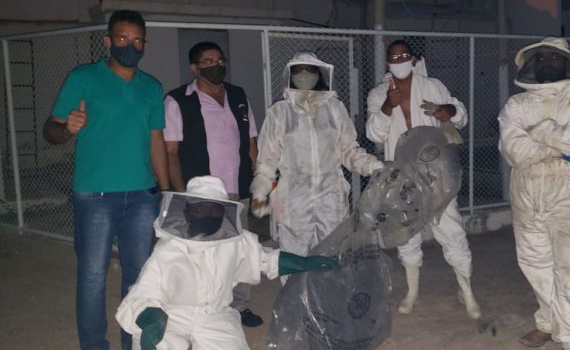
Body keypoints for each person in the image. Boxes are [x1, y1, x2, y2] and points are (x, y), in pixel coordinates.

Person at [42, 10, 169, 350]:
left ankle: (134, 340)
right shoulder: (83, 78)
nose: (131, 45)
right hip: (94, 196)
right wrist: (67, 129)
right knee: (93, 277)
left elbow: (157, 141)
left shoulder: (152, 87)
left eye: (138, 40)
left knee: (140, 278)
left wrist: (166, 190)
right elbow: (50, 131)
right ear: (108, 41)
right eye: (123, 38)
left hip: (142, 196)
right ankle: (94, 345)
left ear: (145, 44)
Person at [115, 176, 339, 350]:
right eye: (201, 208)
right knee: (154, 343)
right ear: (187, 210)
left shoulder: (234, 242)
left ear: (224, 213)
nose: (208, 213)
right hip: (172, 314)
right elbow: (142, 294)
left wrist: (305, 263)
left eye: (215, 209)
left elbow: (265, 259)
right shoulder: (168, 250)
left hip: (217, 314)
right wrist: (150, 317)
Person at [497, 36, 570, 350]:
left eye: (554, 59)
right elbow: (514, 151)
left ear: (569, 63)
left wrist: (538, 132)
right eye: (541, 59)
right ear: (531, 64)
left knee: (568, 264)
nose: (547, 64)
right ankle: (549, 322)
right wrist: (555, 143)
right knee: (533, 262)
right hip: (526, 189)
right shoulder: (516, 104)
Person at [365, 40, 481, 319]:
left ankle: (466, 292)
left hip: (435, 172)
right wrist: (386, 108)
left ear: (414, 60)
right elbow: (373, 135)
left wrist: (449, 112)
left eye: (405, 55)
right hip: (402, 175)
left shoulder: (432, 85)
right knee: (407, 234)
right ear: (387, 63)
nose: (400, 59)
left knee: (451, 231)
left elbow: (459, 114)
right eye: (394, 56)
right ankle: (412, 292)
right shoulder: (379, 93)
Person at [163, 41, 262, 327]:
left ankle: (240, 306)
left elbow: (251, 141)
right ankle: (205, 309)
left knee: (241, 251)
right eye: (207, 62)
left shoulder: (238, 95)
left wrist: (258, 179)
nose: (216, 65)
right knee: (204, 254)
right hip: (203, 192)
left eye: (220, 60)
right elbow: (171, 153)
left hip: (239, 188)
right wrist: (182, 195)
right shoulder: (177, 100)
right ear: (194, 68)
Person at [250, 51, 382, 262]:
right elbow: (267, 159)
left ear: (319, 74)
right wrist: (260, 191)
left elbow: (349, 149)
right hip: (293, 198)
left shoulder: (335, 108)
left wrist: (373, 166)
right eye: (299, 71)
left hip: (331, 196)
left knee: (333, 251)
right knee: (294, 255)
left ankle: (330, 295)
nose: (304, 75)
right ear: (290, 75)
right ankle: (297, 295)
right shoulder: (279, 112)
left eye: (310, 70)